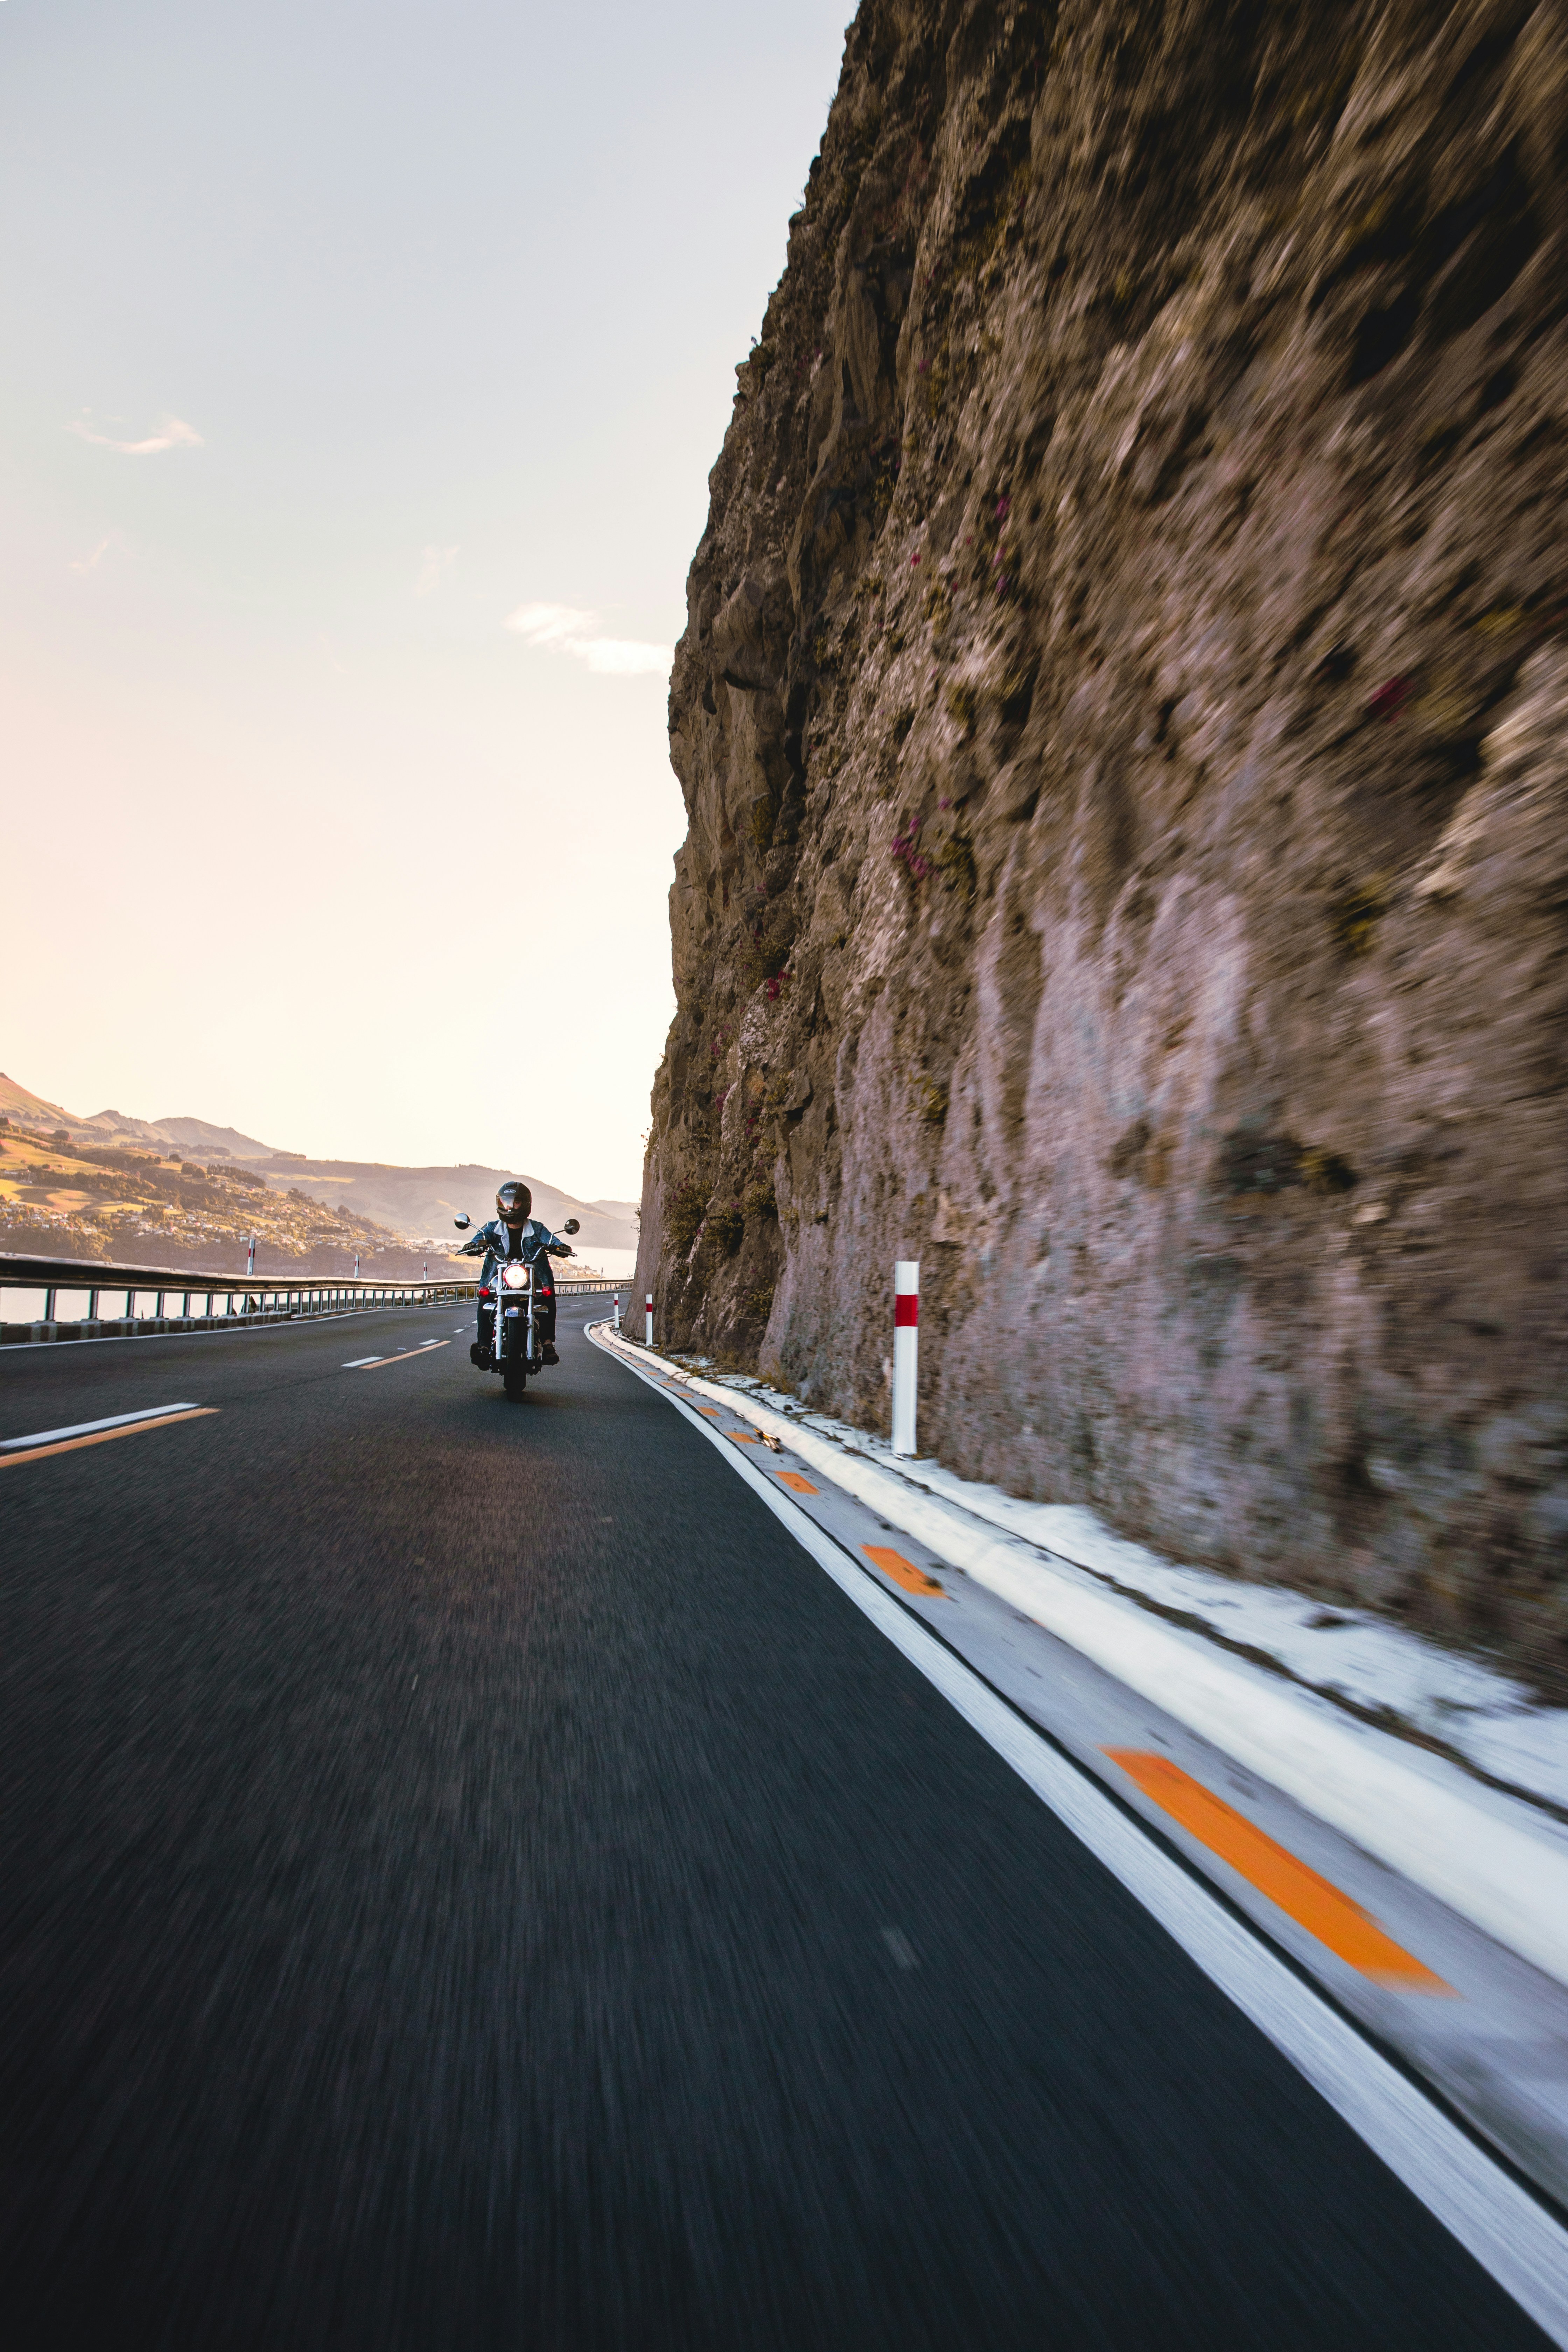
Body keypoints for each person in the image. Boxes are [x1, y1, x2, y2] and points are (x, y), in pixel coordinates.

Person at [458, 1181, 573, 1364]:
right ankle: (484, 1346)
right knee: (486, 1295)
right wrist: (473, 1245)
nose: (510, 1207)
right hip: (499, 1279)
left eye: (516, 1202)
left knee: (547, 1294)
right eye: (505, 1202)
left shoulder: (537, 1229)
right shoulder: (493, 1228)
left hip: (533, 1279)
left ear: (526, 1204)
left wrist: (559, 1246)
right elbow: (482, 1237)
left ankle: (548, 1343)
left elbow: (550, 1239)